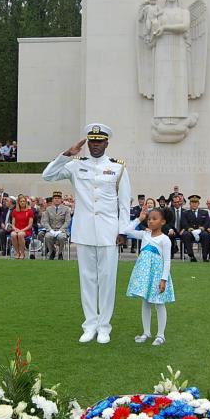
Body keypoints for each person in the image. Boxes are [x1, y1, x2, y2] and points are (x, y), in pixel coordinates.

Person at [42, 123, 131, 344]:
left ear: (106, 143)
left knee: (107, 279)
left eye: (99, 141)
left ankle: (104, 326)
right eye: (92, 141)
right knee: (87, 279)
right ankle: (90, 324)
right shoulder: (75, 165)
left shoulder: (118, 168)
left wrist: (123, 231)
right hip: (84, 231)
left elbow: (124, 205)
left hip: (109, 232)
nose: (95, 145)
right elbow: (47, 175)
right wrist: (65, 155)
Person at [124, 207, 175, 346]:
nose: (150, 221)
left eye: (154, 219)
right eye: (149, 219)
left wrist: (163, 279)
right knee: (145, 302)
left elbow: (167, 261)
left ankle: (161, 335)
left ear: (163, 222)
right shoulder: (144, 235)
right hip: (144, 276)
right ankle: (146, 332)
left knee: (159, 303)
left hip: (157, 276)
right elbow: (127, 231)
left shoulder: (165, 240)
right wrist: (139, 219)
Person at [40, 190, 71, 260]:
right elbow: (45, 221)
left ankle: (60, 253)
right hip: (51, 229)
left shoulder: (66, 209)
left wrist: (61, 230)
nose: (57, 199)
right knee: (48, 236)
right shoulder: (48, 209)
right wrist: (50, 230)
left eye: (58, 198)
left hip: (62, 230)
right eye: (55, 198)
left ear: (61, 199)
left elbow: (67, 221)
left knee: (61, 237)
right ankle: (52, 251)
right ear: (53, 200)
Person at [179, 194, 208, 262]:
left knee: (206, 235)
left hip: (200, 232)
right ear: (190, 204)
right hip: (190, 232)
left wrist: (203, 228)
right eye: (192, 202)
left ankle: (205, 256)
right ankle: (191, 256)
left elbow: (207, 223)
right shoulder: (185, 213)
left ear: (198, 204)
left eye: (196, 202)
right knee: (185, 235)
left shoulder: (204, 212)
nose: (194, 204)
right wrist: (188, 228)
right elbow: (183, 223)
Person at [10, 194, 35, 259]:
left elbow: (30, 225)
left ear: (26, 202)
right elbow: (13, 224)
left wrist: (21, 230)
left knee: (20, 235)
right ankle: (17, 252)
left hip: (26, 230)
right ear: (18, 202)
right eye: (21, 201)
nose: (22, 202)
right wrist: (15, 229)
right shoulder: (15, 211)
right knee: (13, 234)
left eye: (24, 201)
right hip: (17, 229)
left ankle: (23, 253)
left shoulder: (30, 211)